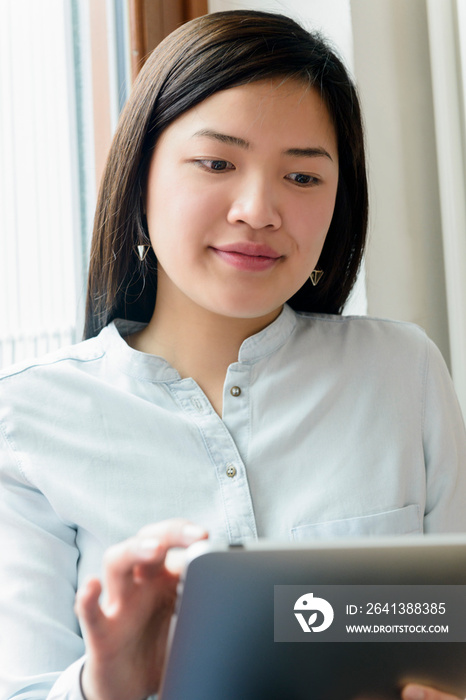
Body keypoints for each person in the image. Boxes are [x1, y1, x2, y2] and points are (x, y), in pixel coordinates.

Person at [1, 9, 465, 700]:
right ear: (140, 177)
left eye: (303, 178)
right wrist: (107, 685)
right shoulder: (27, 422)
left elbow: (451, 633)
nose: (258, 209)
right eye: (217, 162)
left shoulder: (403, 373)